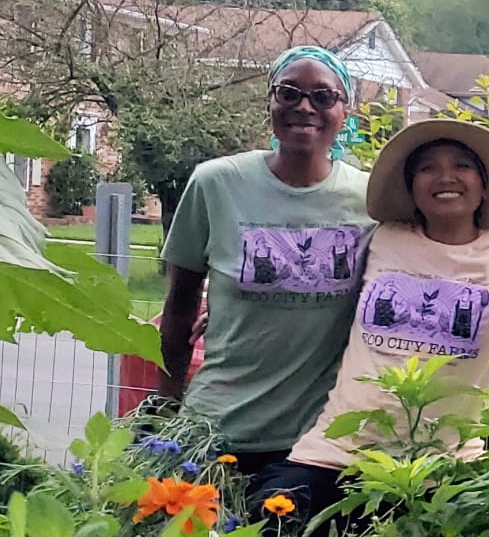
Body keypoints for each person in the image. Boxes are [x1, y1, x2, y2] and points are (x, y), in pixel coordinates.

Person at [262, 119, 489, 535]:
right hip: (338, 454)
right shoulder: (382, 239)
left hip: (445, 469)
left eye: (462, 166)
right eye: (427, 168)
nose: (446, 177)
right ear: (410, 187)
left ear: (484, 185)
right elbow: (307, 278)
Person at [158, 46, 371, 511]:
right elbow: (178, 309)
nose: (304, 106)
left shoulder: (370, 200)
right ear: (270, 102)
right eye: (289, 92)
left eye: (323, 96)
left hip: (314, 445)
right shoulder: (216, 184)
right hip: (211, 432)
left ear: (345, 112)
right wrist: (164, 408)